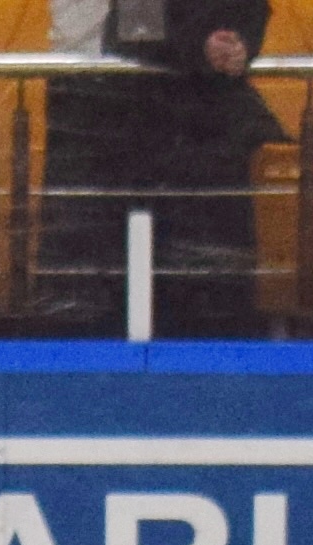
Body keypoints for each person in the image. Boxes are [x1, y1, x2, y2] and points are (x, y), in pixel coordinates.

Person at [36, 0, 282, 338]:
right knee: (118, 287)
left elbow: (249, 11)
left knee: (207, 298)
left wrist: (240, 44)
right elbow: (134, 31)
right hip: (121, 128)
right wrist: (201, 48)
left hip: (205, 140)